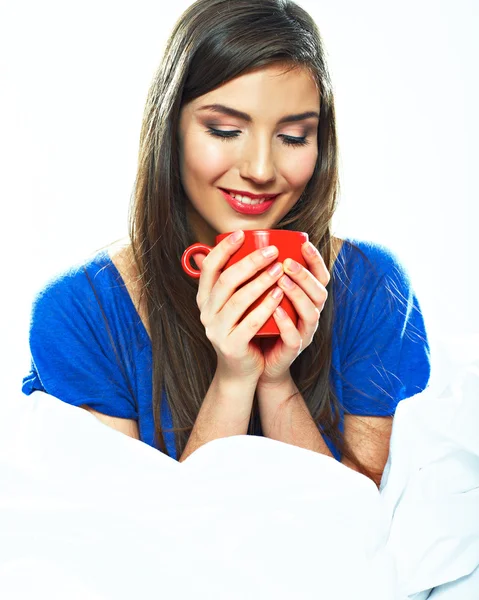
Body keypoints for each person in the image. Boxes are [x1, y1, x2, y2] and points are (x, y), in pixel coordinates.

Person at [22, 0, 430, 487]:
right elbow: (132, 547)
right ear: (170, 128)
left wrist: (277, 382)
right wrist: (233, 381)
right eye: (225, 130)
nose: (260, 169)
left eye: (295, 136)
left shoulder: (371, 286)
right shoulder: (78, 314)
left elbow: (365, 522)